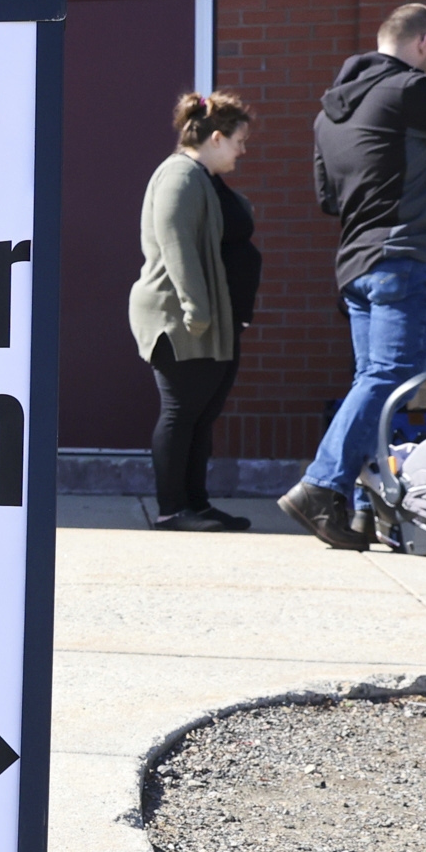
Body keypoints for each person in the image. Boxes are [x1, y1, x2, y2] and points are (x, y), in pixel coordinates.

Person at [278, 4, 426, 549]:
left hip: (357, 263)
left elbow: (327, 197)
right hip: (408, 258)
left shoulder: (329, 113)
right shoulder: (409, 89)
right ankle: (320, 485)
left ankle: (361, 510)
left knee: (374, 383)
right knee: (391, 378)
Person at [127, 91, 260, 531]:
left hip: (206, 318)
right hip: (181, 318)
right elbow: (177, 245)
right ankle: (171, 509)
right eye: (239, 141)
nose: (243, 150)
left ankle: (196, 504)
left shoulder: (203, 177)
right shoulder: (180, 176)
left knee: (201, 415)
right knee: (181, 412)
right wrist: (196, 313)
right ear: (216, 138)